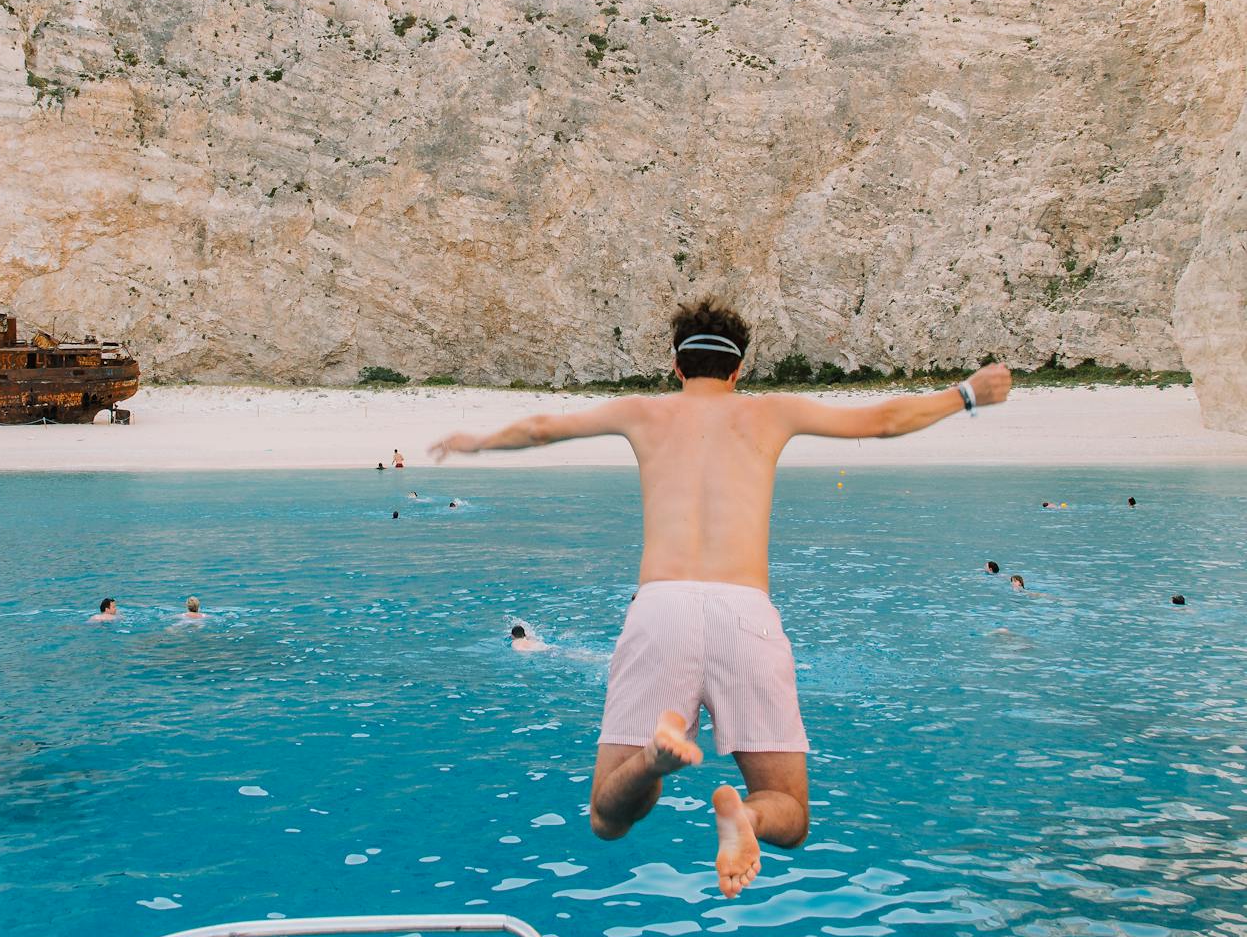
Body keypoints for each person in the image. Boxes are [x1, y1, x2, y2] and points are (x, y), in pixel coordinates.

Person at [431, 296, 1011, 898]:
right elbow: (883, 420)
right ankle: (747, 817)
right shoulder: (771, 414)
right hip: (745, 611)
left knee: (608, 818)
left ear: (676, 368)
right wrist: (965, 394)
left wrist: (473, 442)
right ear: (740, 371)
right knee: (789, 810)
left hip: (659, 609)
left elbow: (541, 429)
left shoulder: (644, 414)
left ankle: (655, 762)